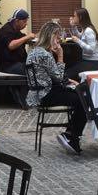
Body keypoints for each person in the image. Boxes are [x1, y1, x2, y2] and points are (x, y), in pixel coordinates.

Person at [26, 22, 86, 155]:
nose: (59, 41)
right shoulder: (45, 54)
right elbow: (58, 77)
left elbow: (51, 75)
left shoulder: (34, 51)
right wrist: (60, 56)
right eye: (58, 37)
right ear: (50, 36)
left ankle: (70, 134)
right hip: (46, 95)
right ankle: (72, 136)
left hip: (39, 93)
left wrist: (69, 81)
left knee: (79, 93)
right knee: (83, 98)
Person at [65, 7, 98, 80]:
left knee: (68, 74)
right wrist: (74, 27)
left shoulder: (88, 30)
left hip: (93, 63)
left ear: (80, 17)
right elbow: (80, 36)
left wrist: (78, 41)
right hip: (87, 61)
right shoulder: (85, 28)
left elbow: (91, 49)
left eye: (75, 16)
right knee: (69, 68)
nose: (73, 18)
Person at [0, 8, 34, 75]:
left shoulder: (16, 29)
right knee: (34, 70)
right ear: (17, 21)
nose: (26, 24)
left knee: (37, 65)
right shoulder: (6, 30)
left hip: (18, 62)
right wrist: (27, 37)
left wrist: (36, 38)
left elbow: (23, 39)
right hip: (8, 66)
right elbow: (11, 45)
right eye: (24, 21)